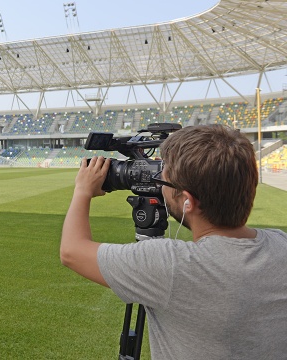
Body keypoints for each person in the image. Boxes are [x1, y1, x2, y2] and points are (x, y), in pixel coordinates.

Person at [60, 124, 287, 359]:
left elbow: (71, 251)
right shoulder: (281, 245)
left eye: (163, 180)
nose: (159, 185)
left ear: (188, 201)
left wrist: (82, 191)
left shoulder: (172, 265)